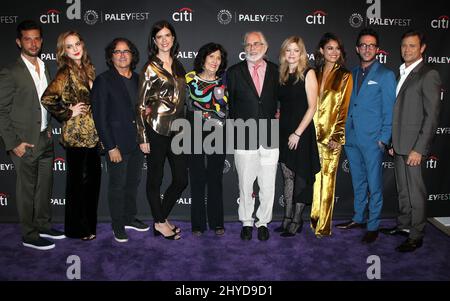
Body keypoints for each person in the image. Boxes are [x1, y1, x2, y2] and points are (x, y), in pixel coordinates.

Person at [0, 20, 65, 250]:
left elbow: (45, 102)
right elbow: (1, 111)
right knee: (27, 190)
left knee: (44, 186)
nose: (33, 42)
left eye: (37, 38)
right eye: (27, 38)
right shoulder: (10, 72)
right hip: (24, 142)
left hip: (44, 138)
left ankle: (43, 225)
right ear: (19, 42)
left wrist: (49, 130)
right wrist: (13, 143)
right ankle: (29, 234)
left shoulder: (44, 66)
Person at [380, 30, 441, 252]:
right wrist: (394, 142)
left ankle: (416, 234)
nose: (407, 50)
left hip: (414, 146)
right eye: (404, 45)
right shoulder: (402, 73)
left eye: (412, 46)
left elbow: (431, 116)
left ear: (422, 48)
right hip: (399, 145)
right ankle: (404, 225)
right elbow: (400, 112)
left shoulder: (428, 74)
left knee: (416, 192)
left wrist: (419, 148)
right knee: (403, 189)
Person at [336, 28, 396, 244]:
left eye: (371, 45)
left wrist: (384, 138)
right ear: (357, 48)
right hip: (351, 138)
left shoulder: (386, 75)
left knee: (374, 184)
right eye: (363, 45)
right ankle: (359, 218)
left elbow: (390, 110)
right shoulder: (350, 74)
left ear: (377, 49)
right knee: (358, 181)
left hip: (373, 140)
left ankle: (373, 225)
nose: (367, 48)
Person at [41, 31, 101, 241]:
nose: (75, 48)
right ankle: (77, 229)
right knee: (77, 185)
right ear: (63, 51)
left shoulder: (87, 68)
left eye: (77, 44)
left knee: (92, 183)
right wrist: (68, 112)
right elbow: (48, 98)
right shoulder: (66, 71)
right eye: (69, 46)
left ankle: (88, 226)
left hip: (92, 135)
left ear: (82, 45)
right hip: (76, 135)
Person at [91, 38, 149, 243]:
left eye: (126, 51)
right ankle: (117, 225)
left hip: (137, 143)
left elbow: (142, 110)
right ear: (111, 56)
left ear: (132, 55)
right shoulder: (103, 80)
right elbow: (100, 117)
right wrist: (110, 147)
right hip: (116, 144)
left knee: (133, 183)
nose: (122, 55)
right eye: (117, 51)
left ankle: (129, 217)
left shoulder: (139, 79)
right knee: (117, 186)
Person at [137, 20, 187, 240]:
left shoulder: (178, 65)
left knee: (180, 180)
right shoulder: (150, 67)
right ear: (154, 41)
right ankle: (159, 222)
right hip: (156, 129)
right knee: (155, 180)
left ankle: (160, 218)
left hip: (178, 129)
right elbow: (140, 104)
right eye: (160, 37)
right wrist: (142, 136)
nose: (165, 40)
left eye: (168, 36)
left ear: (173, 39)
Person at [227, 31, 279, 241]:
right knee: (245, 184)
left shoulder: (277, 71)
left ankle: (263, 221)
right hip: (243, 134)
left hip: (269, 133)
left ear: (265, 47)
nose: (252, 48)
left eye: (257, 44)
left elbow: (282, 99)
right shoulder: (234, 72)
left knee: (267, 184)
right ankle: (247, 222)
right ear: (244, 48)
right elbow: (229, 105)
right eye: (248, 44)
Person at [276, 36, 320, 237]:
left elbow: (312, 107)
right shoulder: (283, 74)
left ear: (302, 53)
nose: (292, 54)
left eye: (296, 50)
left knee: (300, 175)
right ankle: (286, 217)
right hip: (284, 131)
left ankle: (297, 220)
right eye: (288, 50)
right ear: (284, 53)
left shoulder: (308, 73)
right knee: (287, 175)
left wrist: (297, 133)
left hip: (300, 133)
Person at [310, 32, 353, 238]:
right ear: (321, 51)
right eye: (330, 48)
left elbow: (344, 108)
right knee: (315, 179)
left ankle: (324, 226)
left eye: (337, 48)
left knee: (328, 181)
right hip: (311, 134)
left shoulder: (345, 75)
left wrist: (337, 135)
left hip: (330, 138)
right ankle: (314, 220)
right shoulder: (314, 72)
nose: (334, 52)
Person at [185, 43, 228, 236]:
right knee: (197, 178)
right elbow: (185, 106)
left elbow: (226, 111)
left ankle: (217, 222)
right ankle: (197, 224)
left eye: (218, 58)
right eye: (211, 57)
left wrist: (212, 116)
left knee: (215, 178)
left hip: (217, 132)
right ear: (203, 58)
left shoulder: (223, 82)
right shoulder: (189, 79)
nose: (214, 61)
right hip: (192, 131)